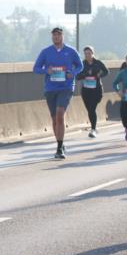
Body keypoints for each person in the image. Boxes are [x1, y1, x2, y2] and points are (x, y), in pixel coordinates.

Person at [33, 27, 83, 159]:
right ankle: (60, 143)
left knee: (60, 114)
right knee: (55, 119)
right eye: (54, 35)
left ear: (63, 36)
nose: (56, 37)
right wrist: (46, 71)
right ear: (52, 37)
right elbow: (36, 68)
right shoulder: (46, 52)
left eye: (59, 35)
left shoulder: (71, 51)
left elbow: (80, 66)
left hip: (66, 87)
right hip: (50, 88)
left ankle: (59, 148)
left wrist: (72, 73)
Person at [75, 45, 109, 138]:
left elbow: (106, 71)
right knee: (90, 110)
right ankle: (93, 127)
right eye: (85, 53)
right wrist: (85, 75)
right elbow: (77, 76)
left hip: (96, 90)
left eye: (89, 53)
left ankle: (93, 129)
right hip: (86, 91)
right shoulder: (82, 64)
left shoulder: (98, 63)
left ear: (93, 53)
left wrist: (98, 75)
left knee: (92, 108)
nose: (87, 55)